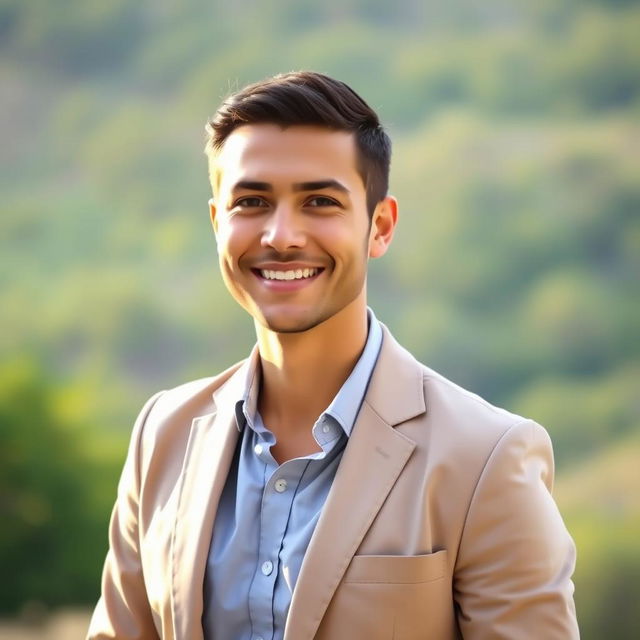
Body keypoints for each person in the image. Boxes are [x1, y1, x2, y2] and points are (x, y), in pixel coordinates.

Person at [87, 71, 579, 640]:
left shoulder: (486, 458)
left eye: (320, 201)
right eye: (251, 201)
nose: (282, 235)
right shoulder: (163, 434)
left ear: (380, 226)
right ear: (218, 223)